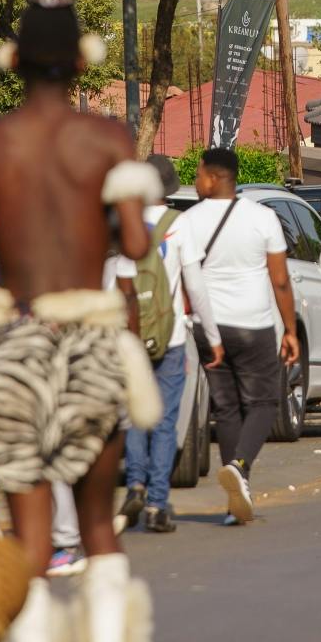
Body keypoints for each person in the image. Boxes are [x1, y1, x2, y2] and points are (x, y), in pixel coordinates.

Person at [0, 0, 162, 642]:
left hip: (15, 345)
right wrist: (93, 227)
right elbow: (138, 246)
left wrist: (10, 239)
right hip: (90, 339)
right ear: (79, 65)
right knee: (96, 526)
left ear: (15, 62)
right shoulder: (108, 138)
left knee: (29, 532)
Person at [168, 146, 294, 527]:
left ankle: (236, 495)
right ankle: (240, 467)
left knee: (225, 408)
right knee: (263, 402)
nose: (195, 180)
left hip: (211, 329)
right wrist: (290, 329)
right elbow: (280, 279)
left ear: (215, 177)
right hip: (253, 324)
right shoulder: (263, 218)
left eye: (199, 174)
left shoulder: (188, 221)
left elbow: (186, 277)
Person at [116, 154, 214, 536]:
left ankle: (135, 485)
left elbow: (121, 283)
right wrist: (212, 334)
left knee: (135, 417)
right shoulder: (180, 224)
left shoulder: (126, 225)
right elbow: (196, 284)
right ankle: (158, 503)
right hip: (171, 337)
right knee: (164, 421)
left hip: (130, 338)